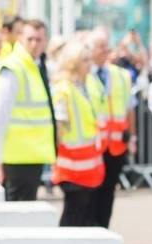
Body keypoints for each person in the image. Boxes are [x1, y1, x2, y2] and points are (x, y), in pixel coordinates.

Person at [0, 19, 56, 201]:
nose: (34, 44)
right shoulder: (13, 67)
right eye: (30, 39)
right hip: (16, 157)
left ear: (46, 41)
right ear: (20, 38)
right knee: (16, 211)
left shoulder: (36, 66)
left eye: (39, 39)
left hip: (32, 155)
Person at [51, 39, 105, 226]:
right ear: (73, 62)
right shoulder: (64, 88)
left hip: (89, 161)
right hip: (71, 164)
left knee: (85, 214)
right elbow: (59, 127)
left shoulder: (89, 84)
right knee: (73, 214)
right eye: (85, 60)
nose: (89, 64)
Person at [87, 29, 135, 228]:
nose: (105, 50)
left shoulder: (121, 75)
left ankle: (103, 228)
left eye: (106, 46)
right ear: (90, 49)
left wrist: (132, 137)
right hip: (91, 146)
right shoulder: (83, 75)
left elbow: (129, 108)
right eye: (100, 46)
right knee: (90, 192)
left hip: (115, 146)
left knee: (108, 192)